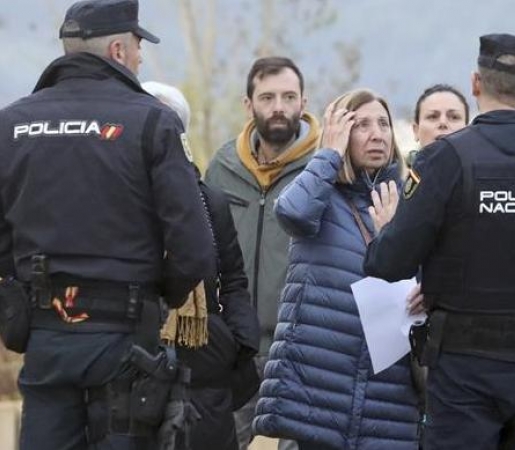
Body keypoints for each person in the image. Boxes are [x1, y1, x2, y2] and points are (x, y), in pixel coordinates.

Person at [363, 33, 515, 449]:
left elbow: (389, 263)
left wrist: (391, 232)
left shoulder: (443, 161)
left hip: (463, 374)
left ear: (476, 85)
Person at [0, 1, 216, 449]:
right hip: (127, 341)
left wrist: (18, 293)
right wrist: (162, 295)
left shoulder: (11, 124)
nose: (140, 58)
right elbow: (194, 247)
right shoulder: (152, 122)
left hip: (46, 335)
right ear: (118, 49)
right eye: (138, 46)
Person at [253, 89, 419, 450]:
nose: (377, 134)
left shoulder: (410, 202)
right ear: (341, 133)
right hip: (320, 393)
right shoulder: (321, 196)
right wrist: (328, 153)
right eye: (361, 125)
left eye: (384, 124)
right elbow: (291, 212)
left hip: (385, 398)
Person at [204, 56, 321, 450]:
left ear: (303, 103)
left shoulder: (326, 168)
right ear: (248, 104)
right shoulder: (221, 167)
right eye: (267, 97)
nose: (279, 107)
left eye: (289, 97)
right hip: (235, 351)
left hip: (300, 349)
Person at [143, 81, 261, 450]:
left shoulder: (210, 201)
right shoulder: (119, 202)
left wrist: (239, 341)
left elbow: (233, 279)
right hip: (140, 363)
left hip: (205, 370)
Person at [406, 84, 470, 166]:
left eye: (454, 117)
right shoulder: (399, 176)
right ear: (416, 130)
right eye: (433, 117)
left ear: (468, 130)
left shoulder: (486, 175)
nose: (443, 123)